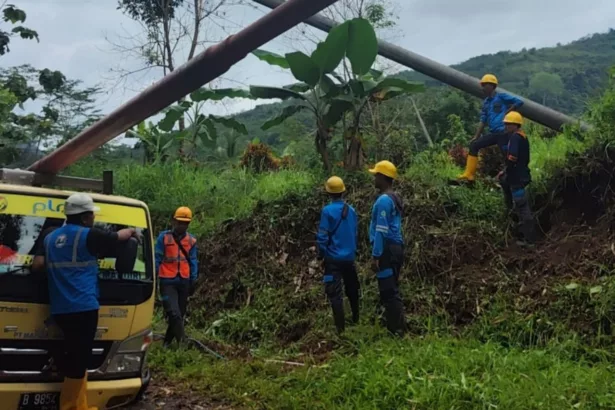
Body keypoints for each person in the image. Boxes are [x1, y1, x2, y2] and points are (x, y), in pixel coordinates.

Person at [38, 193, 138, 410]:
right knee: (78, 361)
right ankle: (70, 407)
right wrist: (132, 231)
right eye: (92, 215)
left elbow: (37, 265)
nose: (93, 218)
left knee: (77, 356)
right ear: (84, 218)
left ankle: (80, 403)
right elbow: (117, 237)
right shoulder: (88, 236)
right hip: (83, 307)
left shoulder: (50, 238)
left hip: (60, 307)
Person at [457, 73, 525, 182]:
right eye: (482, 85)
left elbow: (519, 101)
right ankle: (469, 175)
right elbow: (483, 120)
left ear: (492, 86)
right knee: (474, 145)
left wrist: (509, 111)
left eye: (485, 85)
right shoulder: (486, 103)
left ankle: (513, 176)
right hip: (493, 133)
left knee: (508, 156)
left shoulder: (501, 97)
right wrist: (476, 136)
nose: (483, 87)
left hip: (503, 132)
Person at [316, 176, 360, 334]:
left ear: (328, 193)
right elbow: (355, 233)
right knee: (353, 288)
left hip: (333, 259)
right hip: (349, 258)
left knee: (335, 293)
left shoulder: (327, 211)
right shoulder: (352, 211)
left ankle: (340, 329)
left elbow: (322, 236)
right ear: (343, 191)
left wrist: (321, 255)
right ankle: (356, 319)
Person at [368, 161, 406, 336]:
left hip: (387, 250)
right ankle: (394, 325)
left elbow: (381, 230)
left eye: (376, 175)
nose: (374, 178)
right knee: (391, 287)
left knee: (388, 290)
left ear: (383, 178)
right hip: (396, 247)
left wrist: (376, 255)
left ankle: (397, 330)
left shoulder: (384, 201)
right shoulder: (395, 197)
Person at [155, 206, 198, 347]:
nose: (182, 226)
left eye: (185, 223)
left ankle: (166, 342)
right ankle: (183, 343)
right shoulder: (164, 238)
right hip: (167, 281)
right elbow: (157, 258)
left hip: (184, 281)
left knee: (180, 313)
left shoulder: (191, 241)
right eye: (180, 222)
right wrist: (153, 277)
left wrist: (193, 279)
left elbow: (193, 261)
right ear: (174, 221)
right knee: (174, 312)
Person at [498, 111, 536, 247]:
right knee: (508, 190)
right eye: (506, 124)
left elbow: (512, 158)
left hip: (516, 177)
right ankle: (516, 226)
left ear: (515, 125)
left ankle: (529, 239)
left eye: (509, 124)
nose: (506, 126)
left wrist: (506, 170)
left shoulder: (514, 138)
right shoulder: (523, 137)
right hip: (522, 174)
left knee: (522, 205)